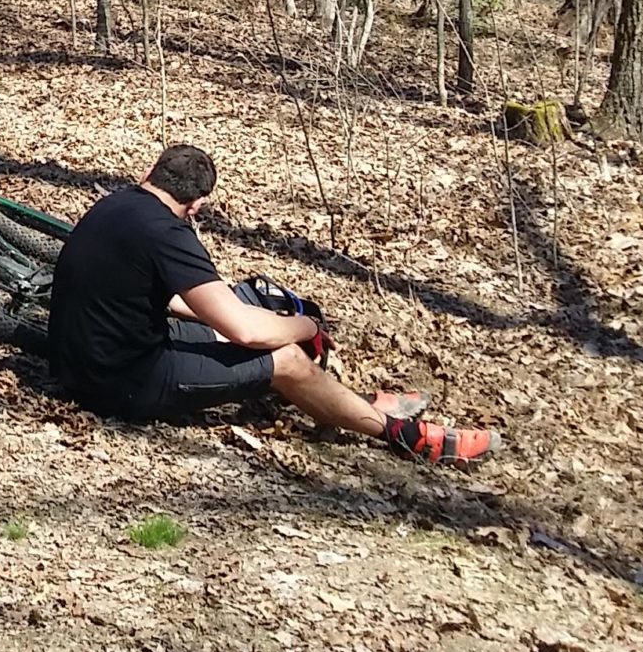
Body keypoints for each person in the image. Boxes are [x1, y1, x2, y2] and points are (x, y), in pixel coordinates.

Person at [48, 144, 497, 463]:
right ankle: (405, 436)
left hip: (80, 363)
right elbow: (246, 331)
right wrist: (306, 328)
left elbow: (172, 301)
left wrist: (245, 320)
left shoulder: (116, 206)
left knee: (234, 328)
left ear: (152, 174)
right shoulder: (167, 232)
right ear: (197, 203)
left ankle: (355, 404)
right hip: (120, 384)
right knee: (285, 359)